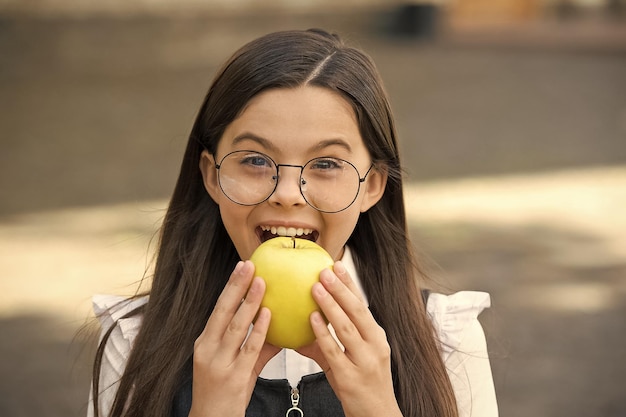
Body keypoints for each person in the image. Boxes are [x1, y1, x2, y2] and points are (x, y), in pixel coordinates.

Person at [88, 28, 498, 417]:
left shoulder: (445, 340)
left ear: (372, 186)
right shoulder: (135, 344)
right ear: (212, 176)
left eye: (325, 164)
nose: (288, 193)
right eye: (254, 160)